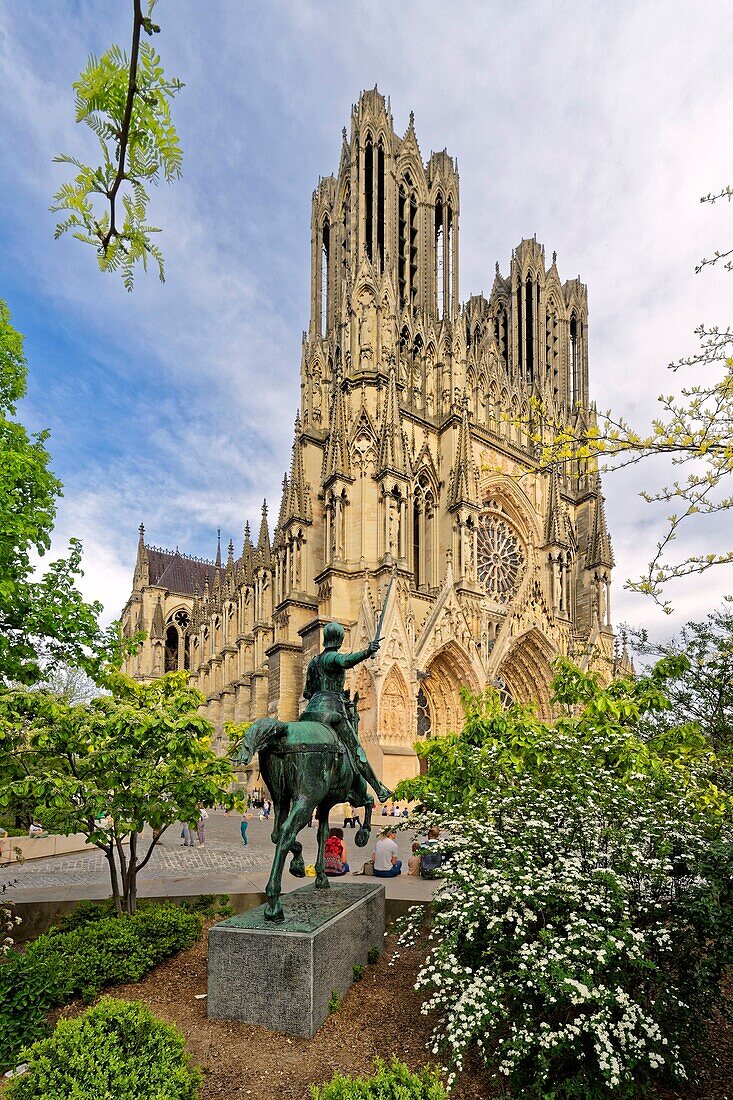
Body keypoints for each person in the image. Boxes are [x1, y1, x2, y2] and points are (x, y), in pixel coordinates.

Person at [300, 622, 391, 803]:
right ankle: (378, 788)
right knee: (357, 751)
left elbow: (306, 692)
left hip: (310, 712)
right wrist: (367, 651)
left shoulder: (313, 662)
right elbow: (346, 661)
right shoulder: (331, 658)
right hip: (331, 711)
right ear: (339, 639)